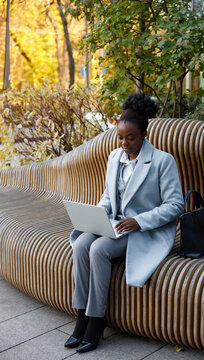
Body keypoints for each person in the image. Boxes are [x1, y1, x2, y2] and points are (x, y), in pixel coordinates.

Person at [64, 93, 184, 353]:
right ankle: (81, 314)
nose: (124, 143)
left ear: (144, 133)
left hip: (143, 231)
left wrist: (138, 221)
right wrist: (96, 214)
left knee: (98, 249)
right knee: (82, 243)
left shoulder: (163, 161)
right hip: (115, 225)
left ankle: (96, 320)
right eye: (120, 137)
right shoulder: (113, 158)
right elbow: (108, 196)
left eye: (131, 137)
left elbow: (175, 206)